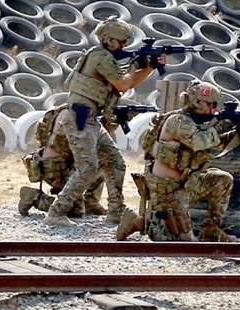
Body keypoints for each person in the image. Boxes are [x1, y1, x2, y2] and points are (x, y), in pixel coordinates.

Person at [44, 16, 166, 227]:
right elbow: (123, 84)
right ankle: (55, 213)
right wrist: (135, 64)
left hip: (91, 120)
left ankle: (116, 212)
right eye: (121, 41)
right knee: (87, 168)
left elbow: (128, 83)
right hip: (80, 119)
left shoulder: (106, 57)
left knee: (116, 162)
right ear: (109, 40)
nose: (124, 45)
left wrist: (150, 67)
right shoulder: (100, 57)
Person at [116, 81, 240, 242]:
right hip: (166, 189)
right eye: (211, 104)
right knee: (179, 241)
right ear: (197, 103)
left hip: (186, 183)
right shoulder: (178, 121)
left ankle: (211, 229)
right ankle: (137, 221)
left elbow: (219, 143)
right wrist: (221, 125)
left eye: (216, 105)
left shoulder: (196, 124)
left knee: (222, 180)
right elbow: (200, 141)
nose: (215, 109)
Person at [18, 103, 107, 218]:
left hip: (55, 164)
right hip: (55, 169)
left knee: (100, 163)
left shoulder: (60, 110)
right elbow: (89, 145)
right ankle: (33, 197)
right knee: (75, 211)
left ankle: (90, 203)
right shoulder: (74, 115)